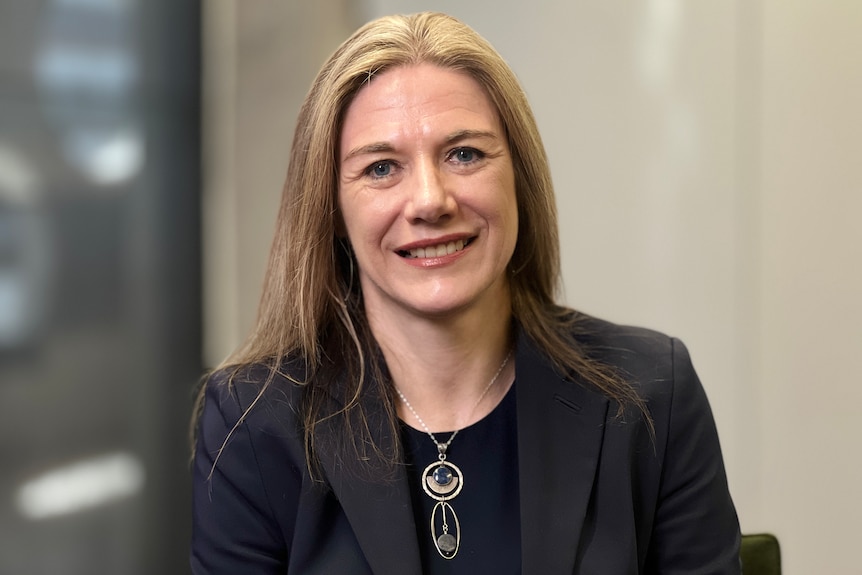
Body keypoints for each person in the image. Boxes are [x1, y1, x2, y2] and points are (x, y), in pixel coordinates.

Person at [190, 11, 740, 575]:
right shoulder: (252, 423)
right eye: (381, 168)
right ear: (330, 208)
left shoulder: (651, 394)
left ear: (517, 178)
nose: (430, 200)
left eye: (465, 154)